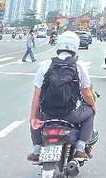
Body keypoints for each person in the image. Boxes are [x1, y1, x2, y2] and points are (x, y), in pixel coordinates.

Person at [27, 31, 96, 163]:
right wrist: (92, 106)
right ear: (75, 47)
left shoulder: (46, 64)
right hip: (71, 114)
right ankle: (80, 148)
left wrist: (33, 117)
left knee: (34, 117)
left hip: (47, 114)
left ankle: (36, 149)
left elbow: (37, 95)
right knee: (90, 113)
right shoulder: (79, 65)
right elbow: (86, 93)